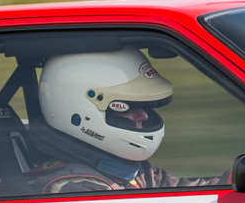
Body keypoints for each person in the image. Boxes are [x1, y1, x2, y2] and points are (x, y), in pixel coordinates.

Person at [21, 49, 229, 194]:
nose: (144, 116)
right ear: (80, 111)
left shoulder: (126, 171)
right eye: (127, 107)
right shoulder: (71, 187)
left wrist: (234, 181)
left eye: (145, 106)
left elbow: (183, 190)